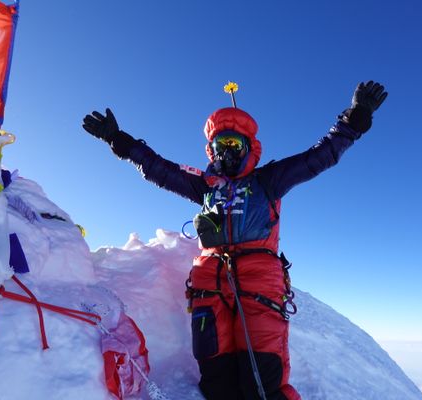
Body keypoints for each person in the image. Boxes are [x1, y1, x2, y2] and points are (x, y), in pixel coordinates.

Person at [83, 81, 388, 400]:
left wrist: (354, 120)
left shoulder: (269, 180)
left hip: (259, 284)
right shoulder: (205, 187)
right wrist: (119, 140)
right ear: (211, 151)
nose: (226, 151)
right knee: (216, 375)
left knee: (263, 379)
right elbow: (159, 169)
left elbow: (318, 157)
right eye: (219, 145)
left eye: (233, 143)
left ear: (247, 147)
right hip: (208, 283)